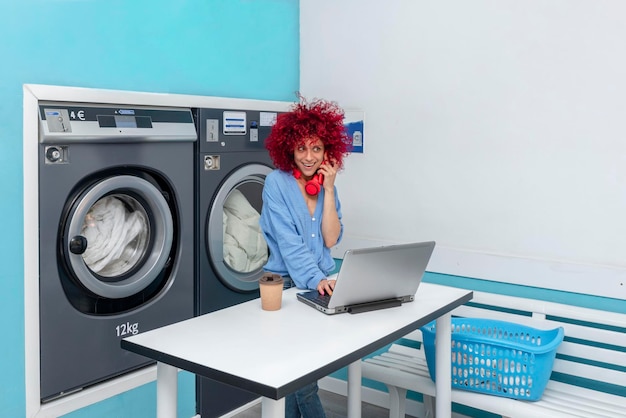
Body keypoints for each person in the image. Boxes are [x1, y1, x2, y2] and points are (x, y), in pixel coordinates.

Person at [259, 96, 352, 418]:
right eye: (301, 149)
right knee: (301, 376)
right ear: (289, 150)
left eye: (316, 149)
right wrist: (318, 280)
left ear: (328, 152)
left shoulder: (327, 185)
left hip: (323, 281)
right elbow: (289, 244)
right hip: (286, 286)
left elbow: (330, 238)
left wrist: (328, 189)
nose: (309, 157)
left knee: (302, 371)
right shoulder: (276, 184)